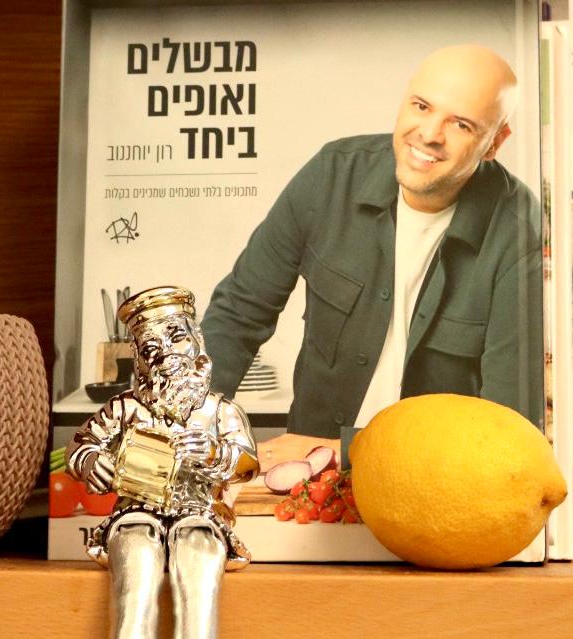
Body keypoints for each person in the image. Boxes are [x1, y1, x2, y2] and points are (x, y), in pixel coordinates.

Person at [201, 44, 543, 460]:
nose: (430, 134)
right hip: (309, 484)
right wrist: (192, 428)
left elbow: (508, 429)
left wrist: (341, 451)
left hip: (435, 489)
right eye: (421, 106)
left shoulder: (518, 227)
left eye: (461, 125)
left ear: (494, 142)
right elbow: (239, 313)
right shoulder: (331, 174)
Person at [66, 286, 259, 639]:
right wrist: (94, 464)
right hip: (136, 517)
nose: (165, 354)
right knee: (131, 618)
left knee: (199, 622)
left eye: (176, 338)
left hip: (200, 519)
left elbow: (246, 461)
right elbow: (77, 450)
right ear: (139, 359)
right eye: (150, 347)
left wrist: (217, 456)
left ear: (198, 345)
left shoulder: (219, 410)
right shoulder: (125, 409)